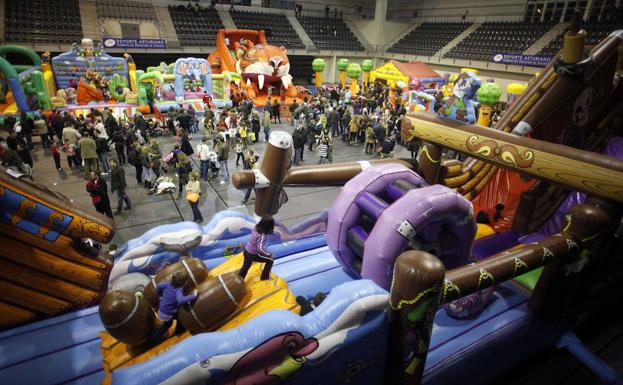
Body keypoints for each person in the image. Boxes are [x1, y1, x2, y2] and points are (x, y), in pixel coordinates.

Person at [151, 272, 198, 339]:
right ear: (184, 283)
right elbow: (180, 300)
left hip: (161, 309)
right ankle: (155, 338)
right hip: (168, 313)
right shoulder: (178, 290)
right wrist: (194, 295)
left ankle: (155, 336)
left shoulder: (167, 285)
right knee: (174, 320)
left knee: (170, 321)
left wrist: (160, 295)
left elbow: (157, 286)